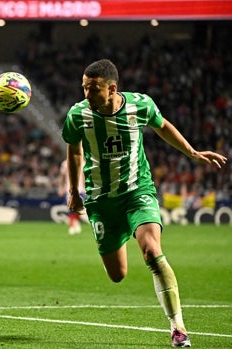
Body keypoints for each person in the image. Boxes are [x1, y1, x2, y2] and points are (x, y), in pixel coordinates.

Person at [62, 59, 227, 348]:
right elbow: (74, 152)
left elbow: (162, 126)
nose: (87, 94)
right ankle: (123, 231)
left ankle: (178, 327)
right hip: (100, 200)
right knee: (117, 275)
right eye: (84, 88)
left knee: (151, 251)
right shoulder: (77, 115)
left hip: (138, 192)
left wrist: (192, 152)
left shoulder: (140, 105)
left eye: (93, 89)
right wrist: (74, 190)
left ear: (112, 88)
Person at [57, 159, 85, 235]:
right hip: (69, 190)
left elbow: (86, 176)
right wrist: (60, 188)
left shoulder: (83, 163)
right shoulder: (65, 163)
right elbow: (61, 177)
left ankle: (75, 223)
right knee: (72, 208)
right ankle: (72, 226)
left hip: (81, 190)